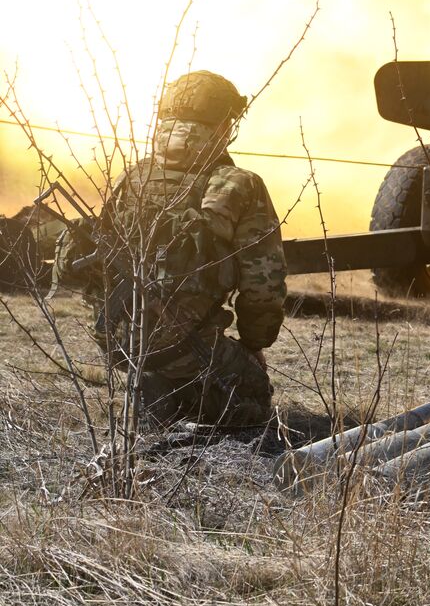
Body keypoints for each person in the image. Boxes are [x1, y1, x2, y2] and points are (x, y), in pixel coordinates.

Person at [57, 71, 285, 428]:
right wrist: (255, 345)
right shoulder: (240, 184)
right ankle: (175, 392)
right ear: (225, 125)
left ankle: (154, 387)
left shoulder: (133, 177)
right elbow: (263, 286)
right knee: (254, 400)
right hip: (188, 350)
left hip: (118, 343)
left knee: (166, 367)